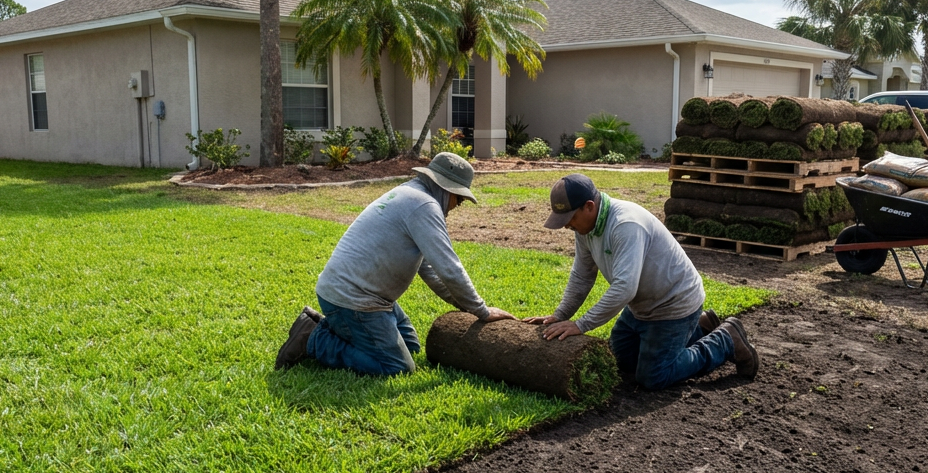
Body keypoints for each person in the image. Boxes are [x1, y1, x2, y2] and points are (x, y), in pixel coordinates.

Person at [276, 152, 514, 374]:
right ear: (446, 188)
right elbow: (449, 269)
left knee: (411, 348)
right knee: (397, 367)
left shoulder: (409, 193)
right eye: (458, 199)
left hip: (365, 297)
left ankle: (335, 328)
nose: (457, 206)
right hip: (355, 300)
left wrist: (466, 306)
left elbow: (429, 271)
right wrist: (481, 310)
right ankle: (313, 338)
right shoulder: (424, 206)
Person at [525, 173, 758, 389]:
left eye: (570, 218)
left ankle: (726, 340)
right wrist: (560, 315)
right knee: (620, 361)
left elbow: (625, 287)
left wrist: (581, 325)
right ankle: (700, 328)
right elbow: (582, 275)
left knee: (653, 375)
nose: (567, 225)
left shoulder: (625, 225)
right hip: (641, 307)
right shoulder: (586, 229)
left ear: (589, 206)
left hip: (673, 304)